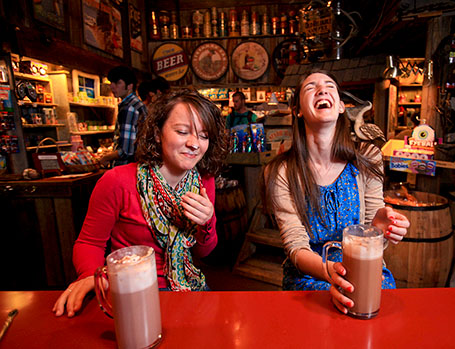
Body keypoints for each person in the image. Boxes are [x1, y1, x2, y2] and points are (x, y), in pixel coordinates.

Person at [53, 88, 229, 317]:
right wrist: (89, 276)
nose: (195, 144)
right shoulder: (118, 181)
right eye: (183, 131)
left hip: (188, 286)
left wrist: (207, 222)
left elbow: (203, 252)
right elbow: (89, 242)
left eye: (204, 135)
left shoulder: (204, 181)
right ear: (157, 133)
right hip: (132, 291)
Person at [263, 70, 410, 315]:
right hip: (308, 275)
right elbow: (295, 247)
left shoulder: (368, 158)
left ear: (341, 106)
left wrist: (380, 227)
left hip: (363, 268)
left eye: (329, 86)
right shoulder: (281, 171)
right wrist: (330, 272)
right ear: (298, 109)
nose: (321, 90)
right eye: (310, 87)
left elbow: (372, 240)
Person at [99, 65, 148, 167]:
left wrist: (106, 157)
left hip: (127, 167)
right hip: (138, 167)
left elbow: (126, 150)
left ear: (129, 86)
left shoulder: (128, 108)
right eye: (111, 82)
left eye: (117, 83)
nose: (112, 86)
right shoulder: (136, 104)